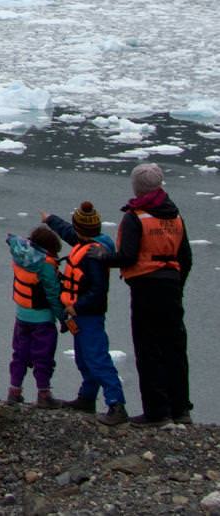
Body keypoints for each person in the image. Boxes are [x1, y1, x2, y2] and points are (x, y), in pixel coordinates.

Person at [112, 162, 193, 426]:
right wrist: (176, 284)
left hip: (146, 287)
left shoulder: (137, 217)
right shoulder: (175, 216)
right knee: (174, 348)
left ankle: (157, 412)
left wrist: (101, 257)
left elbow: (127, 255)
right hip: (171, 287)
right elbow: (186, 257)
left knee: (149, 349)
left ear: (138, 187)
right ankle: (180, 409)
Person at [44, 202, 128, 424]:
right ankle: (87, 399)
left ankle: (116, 405)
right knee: (84, 358)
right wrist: (51, 219)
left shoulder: (92, 256)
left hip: (89, 315)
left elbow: (98, 291)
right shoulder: (90, 244)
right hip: (81, 315)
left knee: (97, 358)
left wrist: (77, 306)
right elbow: (70, 233)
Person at [5, 223, 69, 406]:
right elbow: (52, 294)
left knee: (19, 355)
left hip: (22, 316)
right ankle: (44, 395)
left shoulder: (20, 256)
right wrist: (63, 318)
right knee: (43, 357)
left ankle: (14, 391)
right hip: (42, 320)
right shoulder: (45, 265)